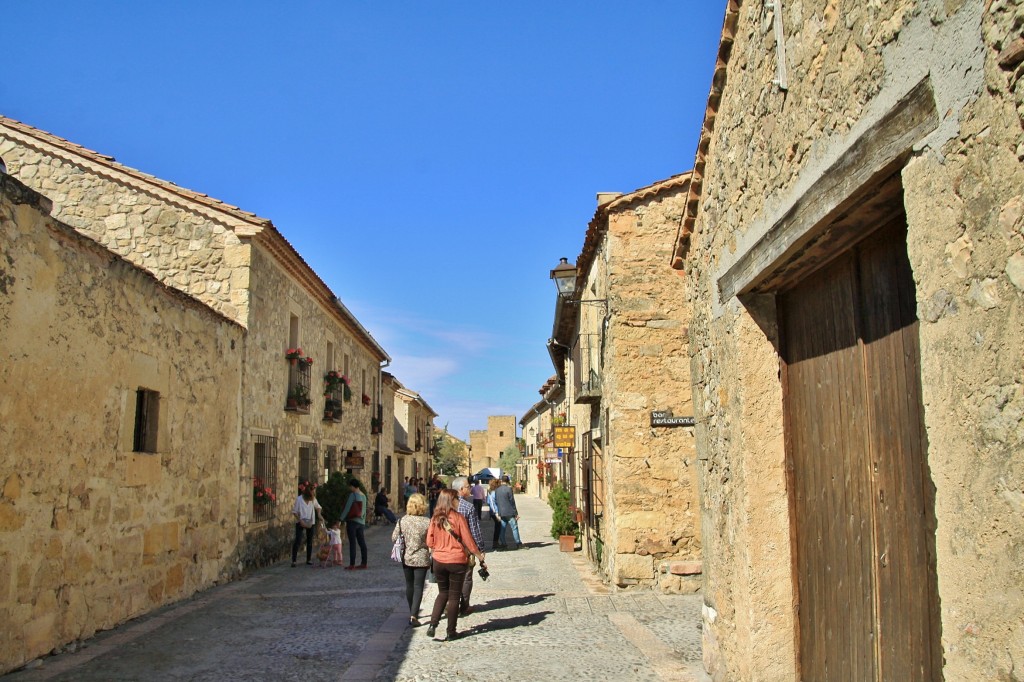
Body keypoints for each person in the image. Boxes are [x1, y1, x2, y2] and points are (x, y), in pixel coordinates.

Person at [425, 489, 485, 642]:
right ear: (451, 501)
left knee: (442, 593)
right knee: (454, 597)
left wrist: (439, 547)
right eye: (456, 499)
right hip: (456, 561)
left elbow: (429, 542)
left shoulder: (435, 519)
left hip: (439, 561)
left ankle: (432, 624)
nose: (458, 502)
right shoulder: (458, 518)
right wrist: (480, 557)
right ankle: (451, 632)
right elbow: (468, 541)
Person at [393, 493, 431, 626]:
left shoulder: (402, 520)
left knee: (409, 585)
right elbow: (431, 540)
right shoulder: (427, 522)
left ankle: (411, 612)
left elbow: (394, 538)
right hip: (422, 557)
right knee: (418, 586)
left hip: (406, 557)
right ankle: (414, 615)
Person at [452, 477, 484, 616]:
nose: (469, 489)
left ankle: (450, 605)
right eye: (467, 487)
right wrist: (480, 550)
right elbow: (474, 530)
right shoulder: (468, 507)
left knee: (450, 579)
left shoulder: (442, 506)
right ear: (460, 490)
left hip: (446, 549)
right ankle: (464, 606)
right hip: (465, 548)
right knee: (466, 578)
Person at [339, 480, 368, 569]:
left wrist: (340, 519)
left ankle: (352, 564)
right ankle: (364, 563)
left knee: (352, 543)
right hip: (361, 522)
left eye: (350, 486)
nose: (349, 488)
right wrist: (363, 519)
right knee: (362, 542)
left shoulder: (353, 495)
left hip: (352, 521)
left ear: (352, 486)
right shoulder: (363, 496)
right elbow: (364, 509)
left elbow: (347, 508)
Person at [291, 486, 322, 567]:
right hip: (300, 521)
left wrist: (318, 514)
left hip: (310, 522)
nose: (313, 496)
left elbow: (318, 507)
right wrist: (300, 521)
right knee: (298, 540)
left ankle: (308, 559)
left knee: (309, 541)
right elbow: (294, 512)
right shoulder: (299, 499)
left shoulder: (313, 499)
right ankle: (294, 561)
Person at [493, 476, 523, 550]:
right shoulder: (509, 489)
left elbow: (496, 501)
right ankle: (518, 543)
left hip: (502, 512)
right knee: (514, 528)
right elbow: (512, 501)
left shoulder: (497, 490)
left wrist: (498, 512)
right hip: (509, 512)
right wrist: (516, 513)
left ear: (501, 481)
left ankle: (503, 543)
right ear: (507, 481)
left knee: (502, 529)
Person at [486, 479, 501, 549]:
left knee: (498, 527)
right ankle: (495, 543)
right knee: (498, 527)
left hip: (493, 512)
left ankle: (496, 542)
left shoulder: (490, 492)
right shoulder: (494, 493)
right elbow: (492, 504)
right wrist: (496, 513)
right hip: (496, 512)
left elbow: (488, 502)